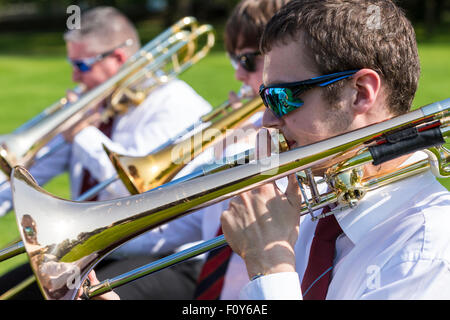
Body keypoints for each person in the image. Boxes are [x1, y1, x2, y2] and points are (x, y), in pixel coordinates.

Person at [220, 0, 450, 300]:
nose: (267, 120)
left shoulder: (426, 253)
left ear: (359, 93)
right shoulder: (316, 199)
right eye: (266, 97)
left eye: (281, 97)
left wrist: (269, 266)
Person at [84, 0, 292, 300]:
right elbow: (172, 230)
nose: (237, 75)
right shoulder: (235, 142)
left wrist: (242, 151)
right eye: (233, 61)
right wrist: (94, 245)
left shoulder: (290, 153)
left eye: (246, 62)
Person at [0, 6, 212, 300]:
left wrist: (83, 134)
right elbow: (31, 171)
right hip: (100, 250)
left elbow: (137, 187)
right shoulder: (98, 105)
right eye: (71, 63)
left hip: (167, 257)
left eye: (82, 65)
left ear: (119, 58)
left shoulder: (176, 104)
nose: (75, 76)